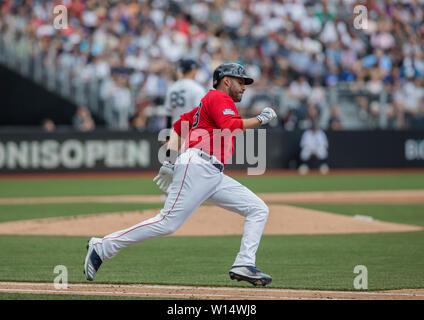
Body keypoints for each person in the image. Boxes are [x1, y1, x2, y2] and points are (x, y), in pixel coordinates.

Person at [84, 62, 277, 287]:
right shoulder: (218, 98)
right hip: (199, 166)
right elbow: (229, 126)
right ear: (227, 81)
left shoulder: (208, 102)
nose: (244, 87)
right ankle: (103, 247)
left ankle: (244, 263)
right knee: (167, 222)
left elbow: (178, 126)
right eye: (241, 81)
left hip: (211, 173)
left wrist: (169, 159)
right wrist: (261, 119)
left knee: (257, 208)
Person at [164, 59, 207, 129]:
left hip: (174, 131)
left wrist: (167, 137)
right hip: (190, 132)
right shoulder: (197, 88)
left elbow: (168, 115)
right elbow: (200, 114)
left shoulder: (172, 88)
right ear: (193, 70)